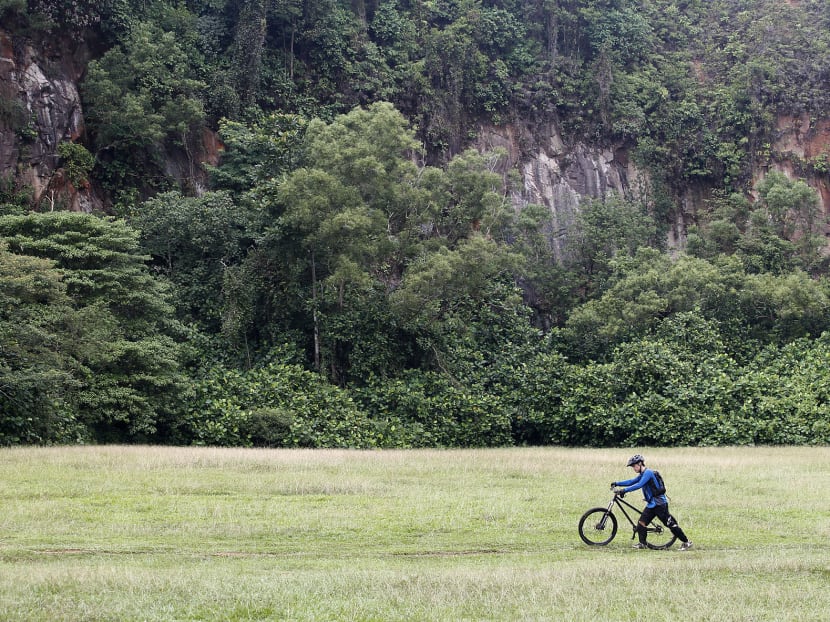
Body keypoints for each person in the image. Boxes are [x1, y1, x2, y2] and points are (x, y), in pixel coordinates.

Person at [611, 454, 693, 551]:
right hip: (652, 504)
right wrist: (617, 483)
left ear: (640, 463)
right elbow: (631, 481)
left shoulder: (648, 473)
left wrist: (624, 490)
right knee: (642, 522)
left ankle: (686, 542)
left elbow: (639, 485)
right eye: (632, 466)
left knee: (669, 524)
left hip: (659, 504)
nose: (633, 468)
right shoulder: (642, 474)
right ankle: (643, 543)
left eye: (634, 466)